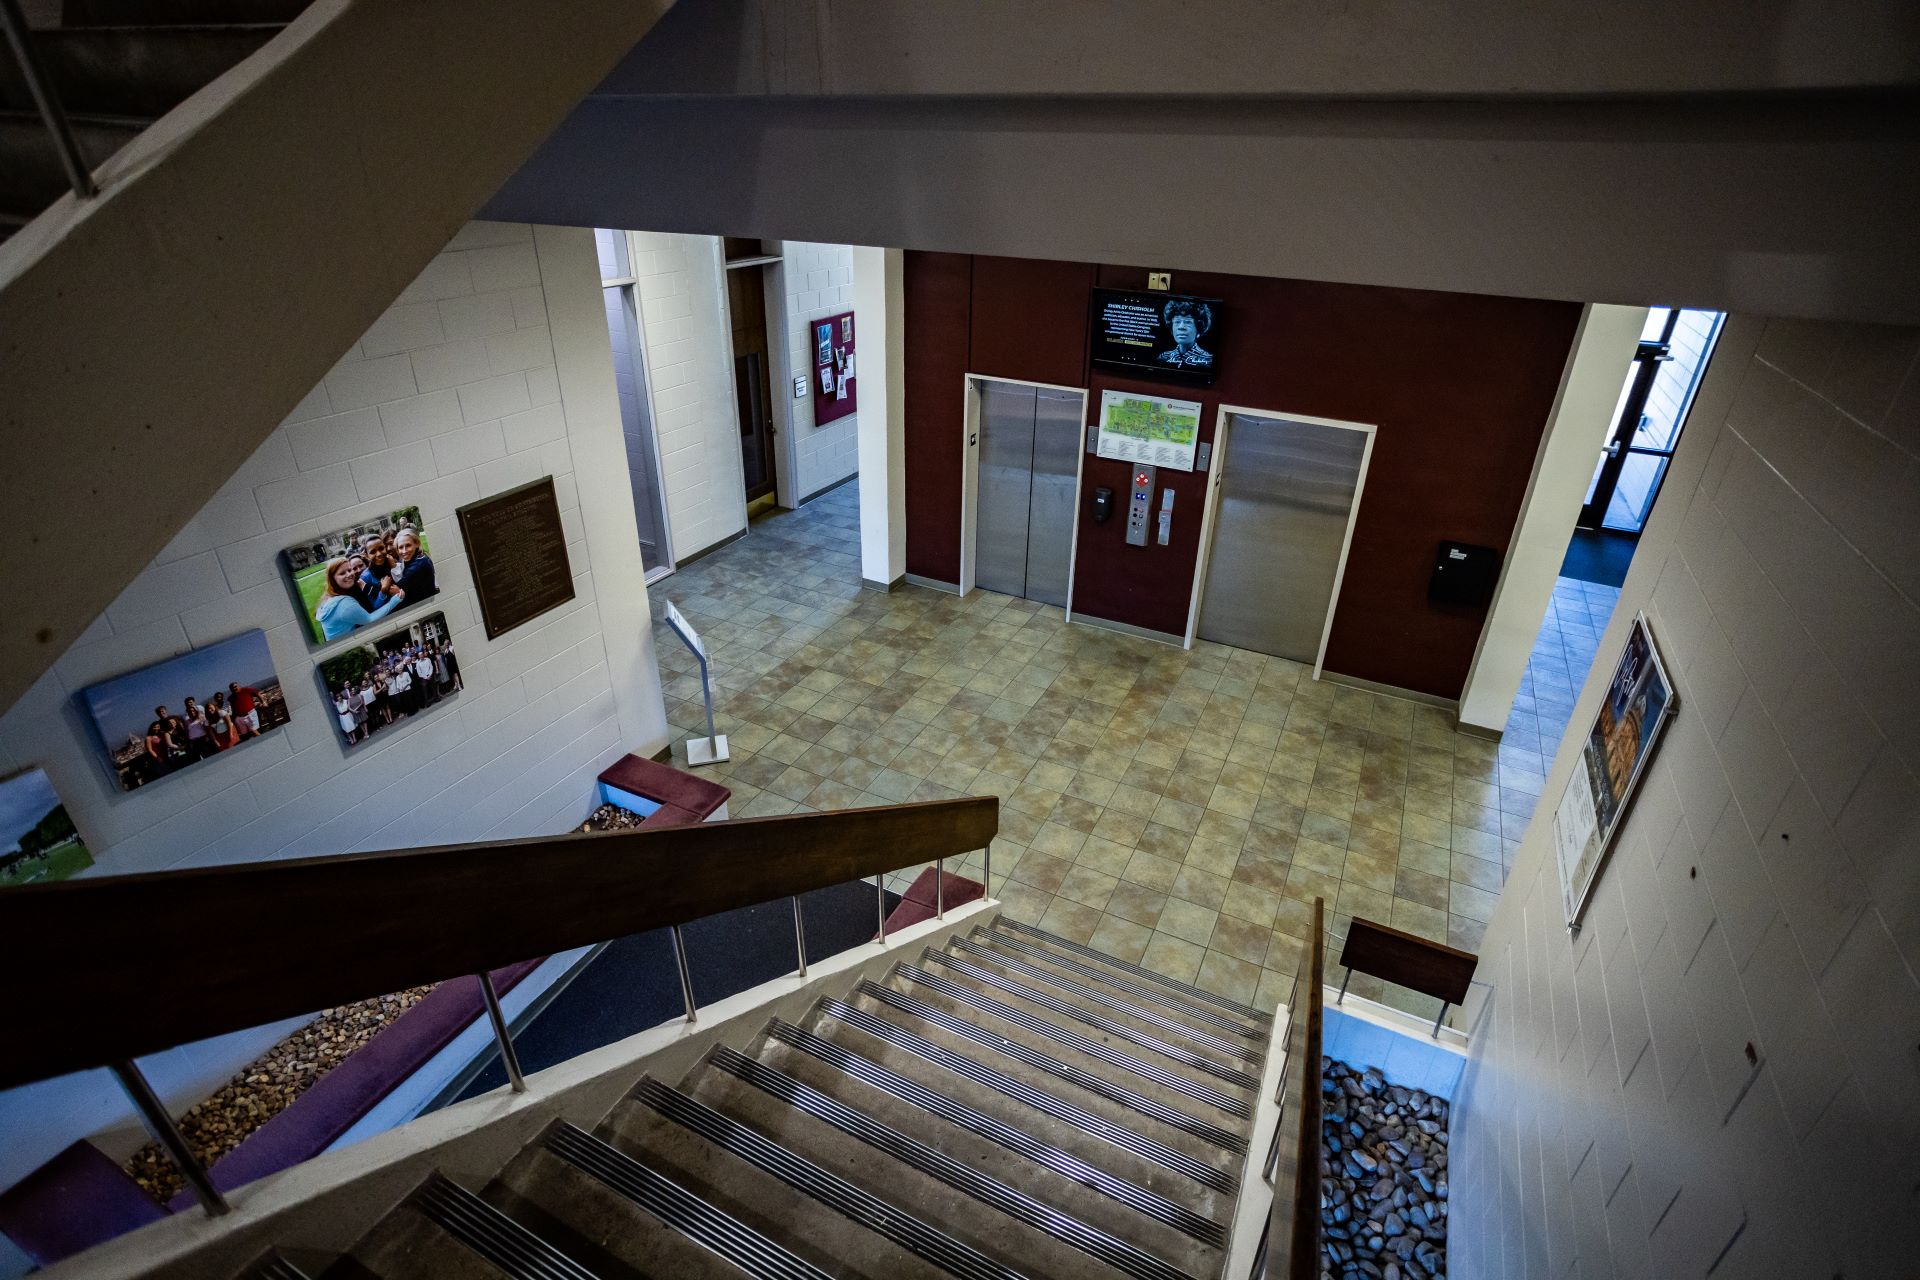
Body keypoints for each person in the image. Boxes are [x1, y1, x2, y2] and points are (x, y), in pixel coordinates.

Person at [316, 558, 405, 641]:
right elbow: (370, 619)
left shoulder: (329, 596)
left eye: (349, 570)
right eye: (342, 573)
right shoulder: (344, 604)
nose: (349, 574)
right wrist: (396, 599)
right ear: (332, 579)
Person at [1155, 297, 1214, 368]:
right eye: (1177, 321)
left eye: (1188, 322)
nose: (1181, 327)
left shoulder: (1208, 360)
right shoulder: (1164, 357)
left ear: (1198, 329)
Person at [182, 697, 215, 761]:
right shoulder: (186, 719)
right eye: (190, 712)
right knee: (203, 757)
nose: (192, 712)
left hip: (203, 739)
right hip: (195, 742)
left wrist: (207, 736)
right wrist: (190, 741)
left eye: (193, 711)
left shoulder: (201, 714)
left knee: (209, 755)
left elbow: (206, 726)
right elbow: (187, 731)